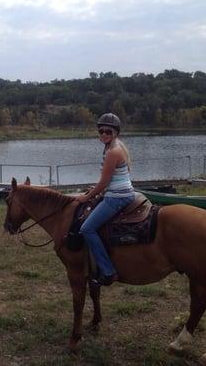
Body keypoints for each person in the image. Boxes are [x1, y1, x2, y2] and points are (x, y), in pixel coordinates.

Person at [76, 113, 135, 286]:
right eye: (100, 131)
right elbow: (106, 180)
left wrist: (87, 197)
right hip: (120, 192)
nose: (103, 134)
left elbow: (104, 182)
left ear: (115, 132)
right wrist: (96, 191)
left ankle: (108, 271)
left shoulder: (113, 152)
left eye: (107, 131)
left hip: (117, 197)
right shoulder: (115, 147)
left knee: (87, 228)